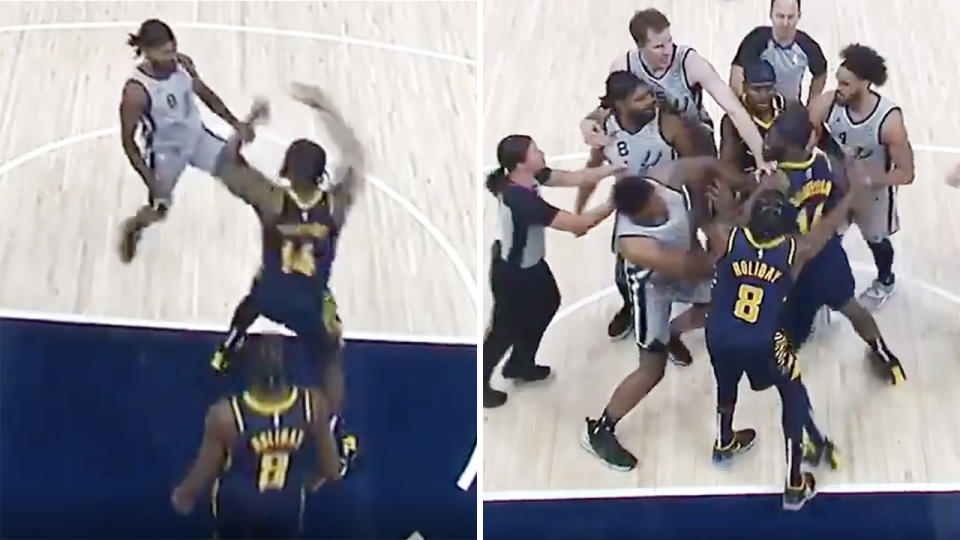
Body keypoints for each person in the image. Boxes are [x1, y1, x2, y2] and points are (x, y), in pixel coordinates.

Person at [210, 83, 360, 471]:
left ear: (286, 170)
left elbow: (226, 163)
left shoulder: (272, 199)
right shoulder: (336, 205)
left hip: (272, 291)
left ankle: (227, 348)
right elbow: (357, 155)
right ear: (321, 173)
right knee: (331, 357)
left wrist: (248, 124)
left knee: (252, 298)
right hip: (310, 300)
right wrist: (327, 109)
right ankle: (333, 428)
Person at [580, 157, 760, 471]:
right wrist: (725, 222)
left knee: (721, 302)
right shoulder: (634, 245)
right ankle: (600, 428)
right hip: (652, 290)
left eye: (656, 195)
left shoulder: (663, 180)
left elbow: (706, 164)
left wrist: (744, 185)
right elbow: (697, 267)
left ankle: (674, 333)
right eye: (654, 204)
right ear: (637, 213)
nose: (661, 201)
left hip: (685, 263)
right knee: (652, 370)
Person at [704, 179, 859, 511]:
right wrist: (850, 196)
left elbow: (718, 221)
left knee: (726, 385)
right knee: (793, 394)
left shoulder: (726, 236)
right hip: (765, 340)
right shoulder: (795, 250)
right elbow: (827, 229)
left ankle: (724, 441)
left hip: (720, 332)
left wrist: (732, 206)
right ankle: (794, 481)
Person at [763, 103, 906, 384]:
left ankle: (781, 369)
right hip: (829, 256)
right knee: (852, 308)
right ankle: (885, 356)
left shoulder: (777, 184)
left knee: (782, 329)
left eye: (773, 136)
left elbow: (767, 230)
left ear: (790, 145)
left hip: (797, 263)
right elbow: (836, 198)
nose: (767, 139)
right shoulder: (821, 162)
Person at [574, 71, 715, 343]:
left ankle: (675, 328)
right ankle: (631, 307)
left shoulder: (669, 125)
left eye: (650, 94)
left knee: (693, 272)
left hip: (670, 207)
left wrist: (699, 216)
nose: (651, 101)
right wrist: (580, 206)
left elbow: (694, 170)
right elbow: (593, 168)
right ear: (620, 104)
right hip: (631, 209)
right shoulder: (605, 132)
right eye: (641, 98)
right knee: (625, 272)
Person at [483, 135, 621, 408]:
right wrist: (614, 203)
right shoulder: (521, 201)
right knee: (503, 330)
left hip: (531, 266)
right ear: (521, 164)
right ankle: (480, 382)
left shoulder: (531, 177)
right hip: (513, 275)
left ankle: (520, 362)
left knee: (548, 303)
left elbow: (576, 178)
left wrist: (615, 167)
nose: (542, 153)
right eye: (535, 151)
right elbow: (579, 225)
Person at [171, 333, 341, 538]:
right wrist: (304, 483)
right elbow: (331, 471)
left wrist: (181, 497)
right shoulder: (312, 405)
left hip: (238, 523)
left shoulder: (226, 416)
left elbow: (196, 483)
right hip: (285, 519)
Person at [117, 18, 253, 263]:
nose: (171, 56)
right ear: (147, 52)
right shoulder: (136, 92)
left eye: (173, 48)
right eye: (165, 52)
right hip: (165, 153)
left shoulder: (184, 65)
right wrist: (150, 180)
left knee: (238, 168)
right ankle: (135, 226)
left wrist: (235, 123)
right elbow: (128, 142)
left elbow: (206, 95)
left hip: (197, 137)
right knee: (160, 209)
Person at [579, 8, 774, 173]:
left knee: (712, 196)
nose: (667, 50)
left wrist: (760, 157)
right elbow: (609, 107)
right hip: (654, 140)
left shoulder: (689, 62)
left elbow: (734, 109)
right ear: (640, 47)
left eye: (669, 41)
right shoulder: (625, 65)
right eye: (658, 46)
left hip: (695, 136)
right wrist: (589, 122)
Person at [808, 44, 915, 310]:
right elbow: (809, 141)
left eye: (845, 83)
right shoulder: (827, 104)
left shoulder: (889, 121)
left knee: (876, 240)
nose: (838, 88)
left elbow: (906, 173)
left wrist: (868, 179)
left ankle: (885, 280)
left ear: (866, 83)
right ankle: (823, 284)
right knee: (827, 238)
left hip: (874, 193)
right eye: (838, 81)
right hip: (837, 187)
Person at [729, 0, 827, 104]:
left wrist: (812, 102)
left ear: (799, 16)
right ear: (771, 14)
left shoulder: (807, 46)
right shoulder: (756, 39)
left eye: (790, 17)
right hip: (757, 108)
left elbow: (821, 72)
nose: (785, 23)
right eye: (780, 16)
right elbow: (737, 71)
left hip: (790, 110)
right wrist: (742, 104)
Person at [721, 60, 786, 174]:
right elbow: (728, 168)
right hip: (748, 182)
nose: (763, 95)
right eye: (756, 89)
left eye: (768, 88)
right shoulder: (732, 120)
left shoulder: (787, 110)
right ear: (745, 87)